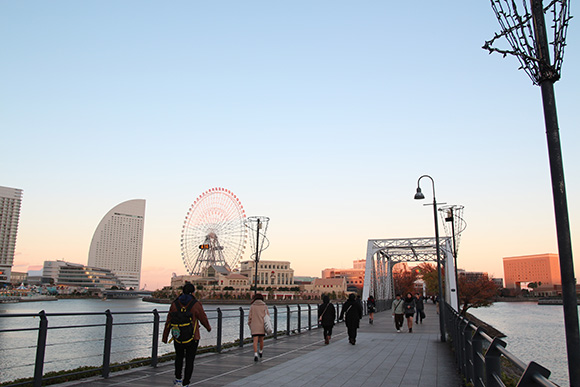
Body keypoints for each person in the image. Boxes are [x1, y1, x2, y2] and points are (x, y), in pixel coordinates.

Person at [162, 283, 211, 387]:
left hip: (178, 335)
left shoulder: (175, 304)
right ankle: (186, 382)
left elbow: (169, 321)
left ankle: (178, 379)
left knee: (179, 357)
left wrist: (165, 336)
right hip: (193, 337)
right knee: (190, 360)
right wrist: (208, 328)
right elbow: (203, 318)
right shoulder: (196, 304)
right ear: (193, 292)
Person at [248, 293, 270, 362]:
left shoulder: (252, 306)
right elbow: (268, 315)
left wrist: (250, 324)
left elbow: (250, 317)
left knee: (255, 340)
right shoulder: (264, 306)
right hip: (262, 325)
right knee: (261, 340)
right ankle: (260, 351)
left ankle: (255, 354)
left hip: (254, 325)